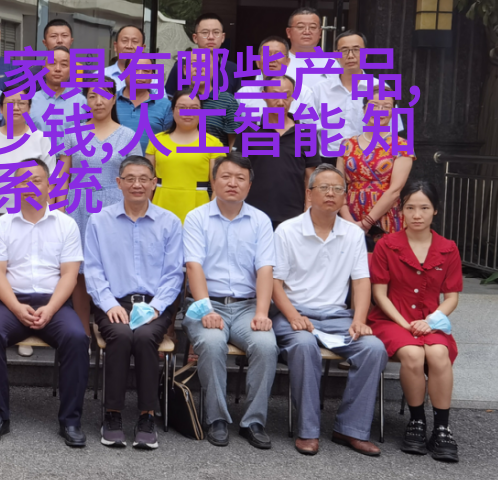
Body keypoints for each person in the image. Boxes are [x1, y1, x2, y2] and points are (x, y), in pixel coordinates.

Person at [271, 164, 388, 456]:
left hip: (337, 316)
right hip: (294, 312)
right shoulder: (287, 230)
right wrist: (294, 316)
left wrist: (359, 319)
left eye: (337, 189)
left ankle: (350, 428)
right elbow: (274, 283)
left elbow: (361, 281)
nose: (331, 194)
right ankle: (308, 430)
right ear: (309, 193)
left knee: (373, 348)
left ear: (344, 196)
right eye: (323, 188)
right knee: (303, 346)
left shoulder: (352, 234)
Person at [0, 158, 87, 447]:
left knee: (77, 337)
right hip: (11, 302)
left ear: (49, 186)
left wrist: (50, 309)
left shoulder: (66, 224)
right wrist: (15, 306)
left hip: (54, 302)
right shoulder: (2, 224)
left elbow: (69, 275)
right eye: (23, 180)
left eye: (36, 180)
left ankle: (71, 420)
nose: (30, 186)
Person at [84, 155, 183, 450]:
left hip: (154, 304)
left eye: (143, 179)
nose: (137, 184)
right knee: (121, 335)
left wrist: (157, 307)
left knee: (144, 337)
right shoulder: (99, 221)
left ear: (154, 183)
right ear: (119, 183)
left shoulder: (169, 222)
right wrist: (109, 304)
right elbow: (93, 269)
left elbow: (173, 273)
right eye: (130, 178)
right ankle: (112, 414)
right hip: (114, 301)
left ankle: (146, 415)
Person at [183, 154, 278, 449]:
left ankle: (254, 421)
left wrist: (262, 312)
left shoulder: (260, 220)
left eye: (240, 178)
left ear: (249, 185)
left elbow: (265, 269)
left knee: (266, 345)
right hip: (206, 303)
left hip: (247, 306)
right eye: (225, 176)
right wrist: (206, 308)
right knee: (212, 343)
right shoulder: (197, 217)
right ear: (213, 181)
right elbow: (193, 266)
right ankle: (217, 419)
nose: (232, 183)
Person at [367, 180, 462, 462]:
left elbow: (452, 297)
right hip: (391, 319)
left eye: (424, 208)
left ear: (435, 211)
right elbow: (379, 294)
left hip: (430, 321)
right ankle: (417, 421)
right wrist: (405, 323)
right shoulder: (386, 245)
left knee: (439, 353)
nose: (417, 214)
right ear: (401, 211)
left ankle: (442, 428)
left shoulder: (448, 248)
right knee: (412, 353)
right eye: (410, 208)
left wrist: (431, 321)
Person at [0, 90, 65, 316]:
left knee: (28, 264)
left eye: (21, 103)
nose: (15, 107)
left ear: (30, 108)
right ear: (0, 108)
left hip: (33, 214)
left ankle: (33, 313)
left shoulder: (41, 140)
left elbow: (51, 181)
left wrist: (51, 213)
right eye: (10, 103)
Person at [61, 86, 139, 335]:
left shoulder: (128, 135)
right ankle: (83, 332)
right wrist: (60, 210)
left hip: (116, 209)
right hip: (79, 205)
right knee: (79, 271)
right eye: (92, 96)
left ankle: (112, 329)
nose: (98, 101)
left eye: (104, 96)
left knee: (113, 267)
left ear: (114, 99)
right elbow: (62, 176)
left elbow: (136, 177)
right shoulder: (73, 134)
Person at [243, 76, 320, 229]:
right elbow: (240, 171)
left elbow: (310, 176)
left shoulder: (306, 133)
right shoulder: (250, 130)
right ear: (264, 95)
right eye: (275, 95)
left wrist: (308, 208)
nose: (280, 102)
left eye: (286, 96)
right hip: (253, 214)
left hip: (293, 215)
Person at [338, 88, 414, 235]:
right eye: (374, 105)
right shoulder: (346, 145)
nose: (379, 111)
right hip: (349, 217)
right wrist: (350, 221)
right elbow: (338, 186)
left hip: (386, 216)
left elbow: (395, 190)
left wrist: (367, 223)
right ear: (364, 109)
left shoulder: (402, 145)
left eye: (386, 107)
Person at [146, 90, 226, 223]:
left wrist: (212, 218)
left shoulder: (213, 143)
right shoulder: (157, 140)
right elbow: (147, 183)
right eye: (182, 107)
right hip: (160, 206)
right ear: (173, 110)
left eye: (194, 108)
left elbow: (218, 187)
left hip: (198, 210)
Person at [302, 30, 374, 156]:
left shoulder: (379, 88)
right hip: (327, 160)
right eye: (344, 50)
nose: (350, 55)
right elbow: (307, 128)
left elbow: (390, 129)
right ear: (336, 55)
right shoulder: (320, 89)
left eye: (356, 50)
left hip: (367, 160)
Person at [165, 12, 241, 97]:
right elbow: (169, 100)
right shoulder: (181, 66)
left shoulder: (233, 69)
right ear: (195, 38)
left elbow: (237, 102)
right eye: (205, 33)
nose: (211, 37)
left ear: (223, 37)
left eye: (216, 32)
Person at [29, 45, 74, 136]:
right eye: (52, 63)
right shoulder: (30, 102)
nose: (57, 69)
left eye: (63, 64)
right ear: (43, 68)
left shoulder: (82, 101)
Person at [284, 6, 323, 85]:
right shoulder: (275, 62)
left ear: (320, 33)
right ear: (289, 32)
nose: (307, 32)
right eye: (300, 27)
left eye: (313, 27)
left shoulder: (333, 64)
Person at [103, 24, 145, 92]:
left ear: (142, 48)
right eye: (124, 41)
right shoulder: (99, 76)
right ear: (115, 46)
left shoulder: (153, 81)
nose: (129, 46)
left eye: (135, 42)